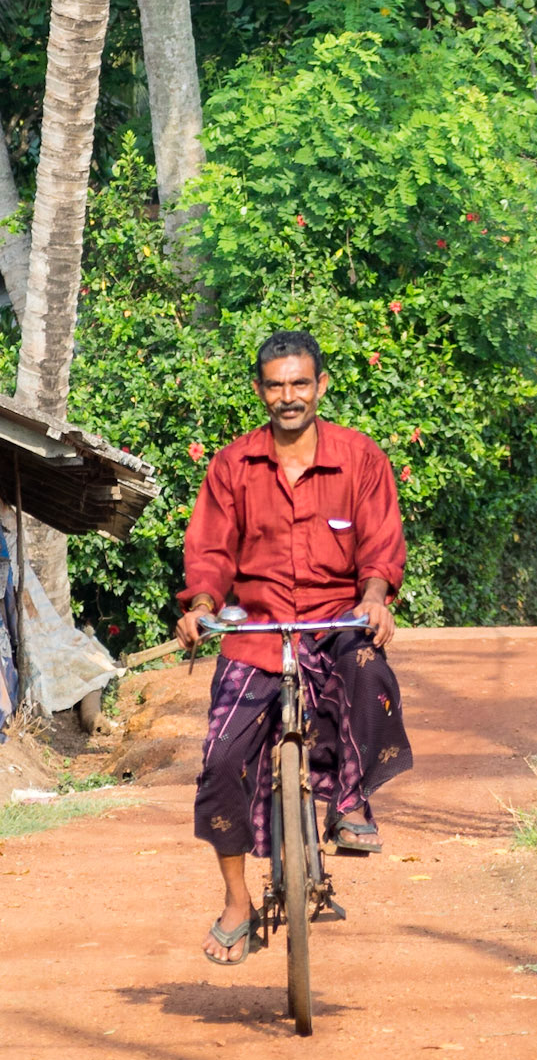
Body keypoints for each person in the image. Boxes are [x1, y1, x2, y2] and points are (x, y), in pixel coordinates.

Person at [177, 329, 413, 966]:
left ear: (321, 387)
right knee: (221, 760)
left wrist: (374, 598)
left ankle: (351, 799)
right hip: (255, 630)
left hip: (335, 622)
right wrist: (201, 607)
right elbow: (211, 550)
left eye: (300, 384)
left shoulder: (361, 459)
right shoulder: (232, 465)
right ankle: (236, 902)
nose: (289, 397)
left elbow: (380, 545)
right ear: (260, 391)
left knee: (368, 671)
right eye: (276, 386)